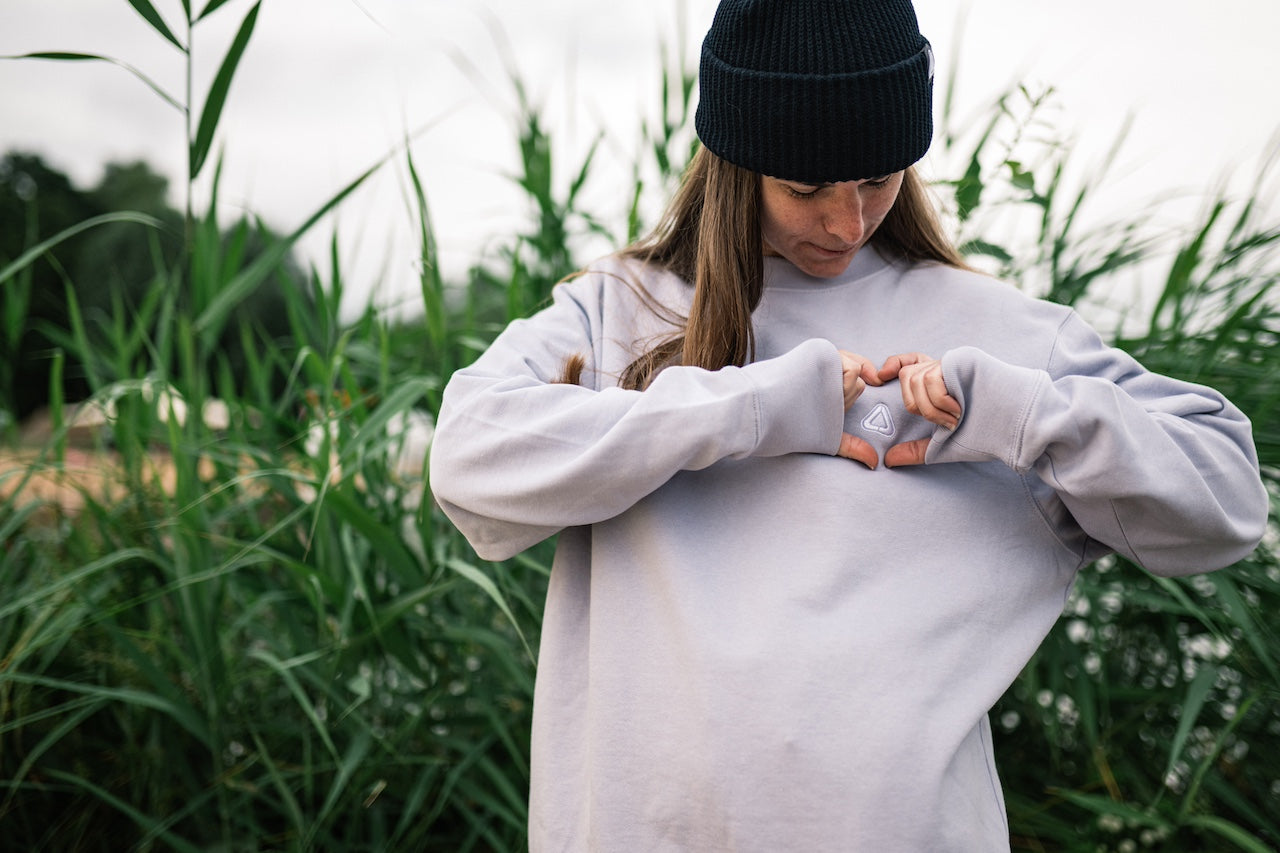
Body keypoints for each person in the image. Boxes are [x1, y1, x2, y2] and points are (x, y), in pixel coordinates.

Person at [428, 0, 1269, 849]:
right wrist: (759, 407)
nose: (847, 220)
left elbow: (1228, 501)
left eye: (878, 176)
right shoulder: (620, 311)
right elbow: (467, 457)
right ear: (736, 162)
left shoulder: (1001, 335)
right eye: (807, 187)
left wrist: (1014, 412)